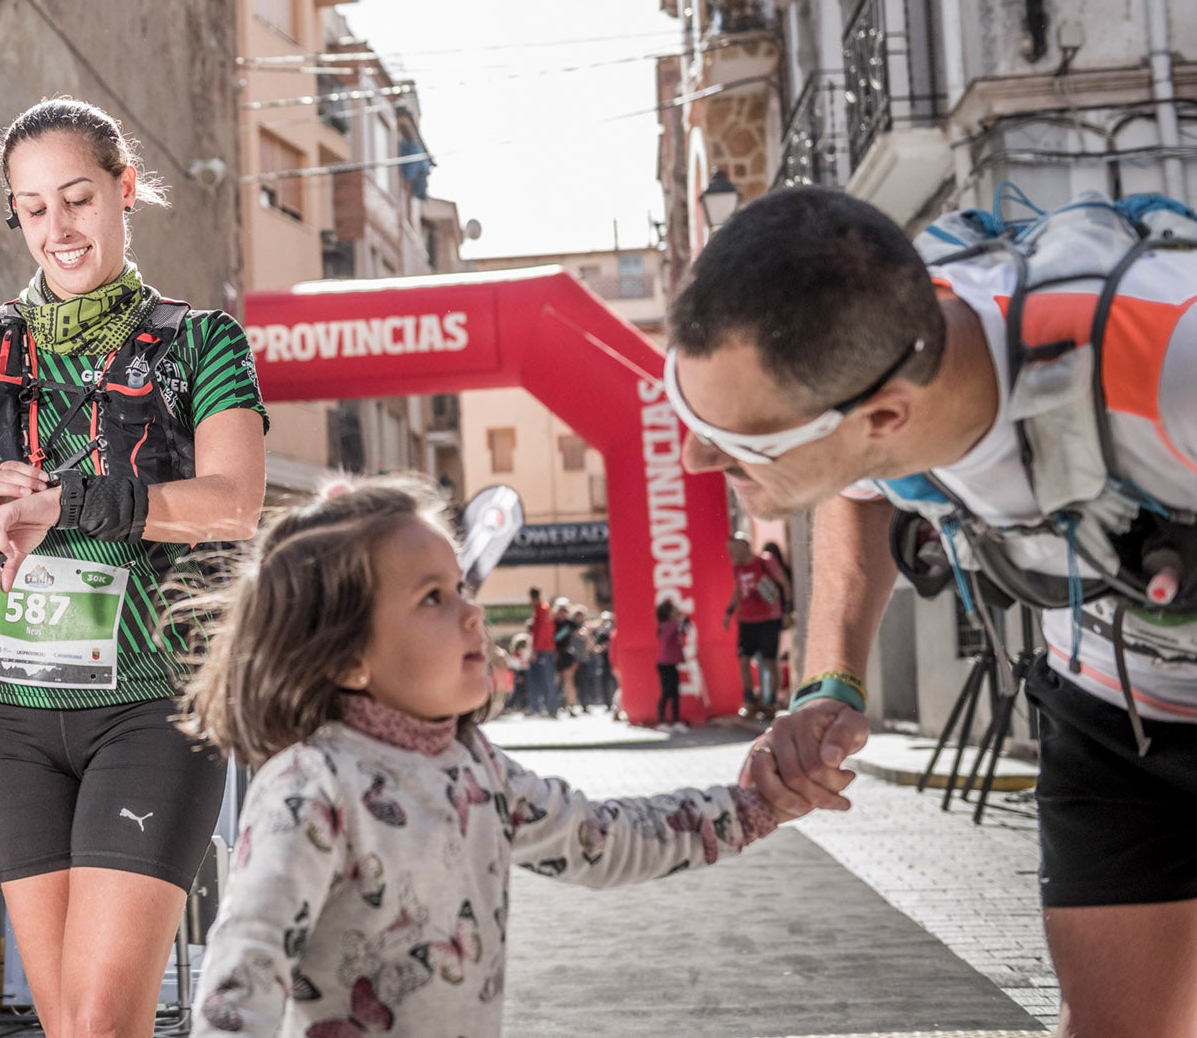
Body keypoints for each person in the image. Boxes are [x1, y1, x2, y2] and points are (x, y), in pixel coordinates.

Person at [666, 186, 1197, 1034]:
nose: (694, 455)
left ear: (883, 416)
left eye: (741, 444)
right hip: (1110, 717)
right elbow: (860, 487)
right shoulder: (891, 344)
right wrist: (828, 679)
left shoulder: (1171, 363)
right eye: (686, 405)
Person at [0, 97, 268, 1038]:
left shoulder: (200, 341)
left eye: (79, 197)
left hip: (152, 706)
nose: (59, 226)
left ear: (125, 189)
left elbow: (235, 502)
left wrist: (74, 501)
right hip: (15, 716)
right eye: (35, 205)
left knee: (99, 1023)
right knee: (73, 1030)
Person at [184, 477, 782, 1037]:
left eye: (461, 587)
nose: (472, 612)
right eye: (432, 597)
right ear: (346, 660)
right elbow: (247, 966)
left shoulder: (476, 767)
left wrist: (755, 806)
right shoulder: (312, 786)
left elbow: (601, 839)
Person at [723, 537, 790, 720]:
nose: (731, 555)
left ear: (745, 547)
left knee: (769, 662)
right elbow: (737, 590)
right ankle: (750, 700)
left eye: (734, 550)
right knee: (743, 660)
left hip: (768, 619)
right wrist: (729, 612)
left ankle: (771, 701)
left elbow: (783, 583)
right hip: (746, 620)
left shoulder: (764, 561)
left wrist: (787, 610)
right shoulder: (737, 567)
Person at [655, 599, 687, 729]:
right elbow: (670, 633)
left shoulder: (671, 625)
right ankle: (662, 721)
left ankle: (676, 721)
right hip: (665, 664)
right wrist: (680, 620)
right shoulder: (667, 625)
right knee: (667, 692)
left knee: (675, 693)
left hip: (672, 663)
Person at [526, 587, 558, 715]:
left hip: (543, 649)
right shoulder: (543, 609)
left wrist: (535, 650)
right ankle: (545, 707)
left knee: (546, 679)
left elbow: (542, 632)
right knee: (545, 679)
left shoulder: (542, 609)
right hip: (545, 648)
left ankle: (551, 708)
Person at [553, 599, 582, 714]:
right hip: (554, 654)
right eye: (561, 610)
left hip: (566, 654)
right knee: (555, 680)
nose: (562, 613)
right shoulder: (552, 623)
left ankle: (571, 705)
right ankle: (556, 704)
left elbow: (580, 632)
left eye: (564, 610)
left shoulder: (570, 623)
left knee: (568, 680)